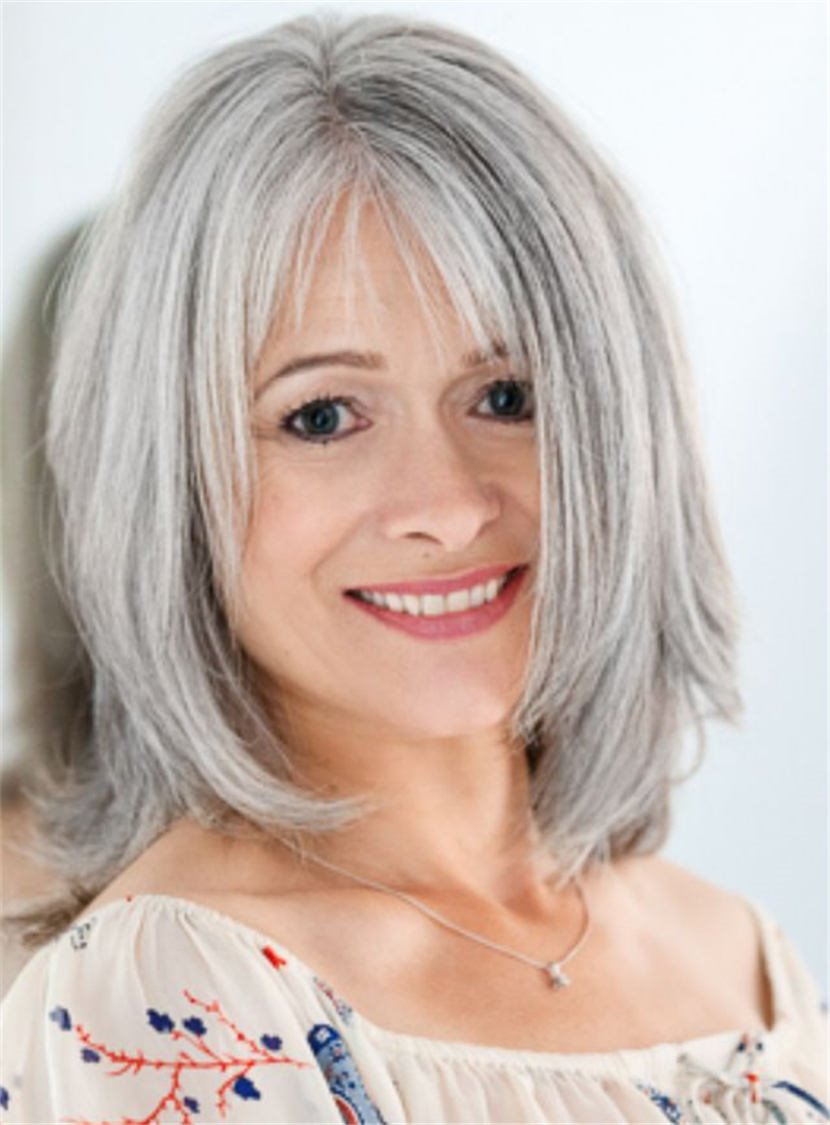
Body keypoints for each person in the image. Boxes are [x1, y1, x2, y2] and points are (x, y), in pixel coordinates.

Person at [0, 12, 826, 1124]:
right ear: (172, 479)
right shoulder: (169, 1012)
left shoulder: (739, 954)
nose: (445, 506)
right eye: (323, 415)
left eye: (505, 397)